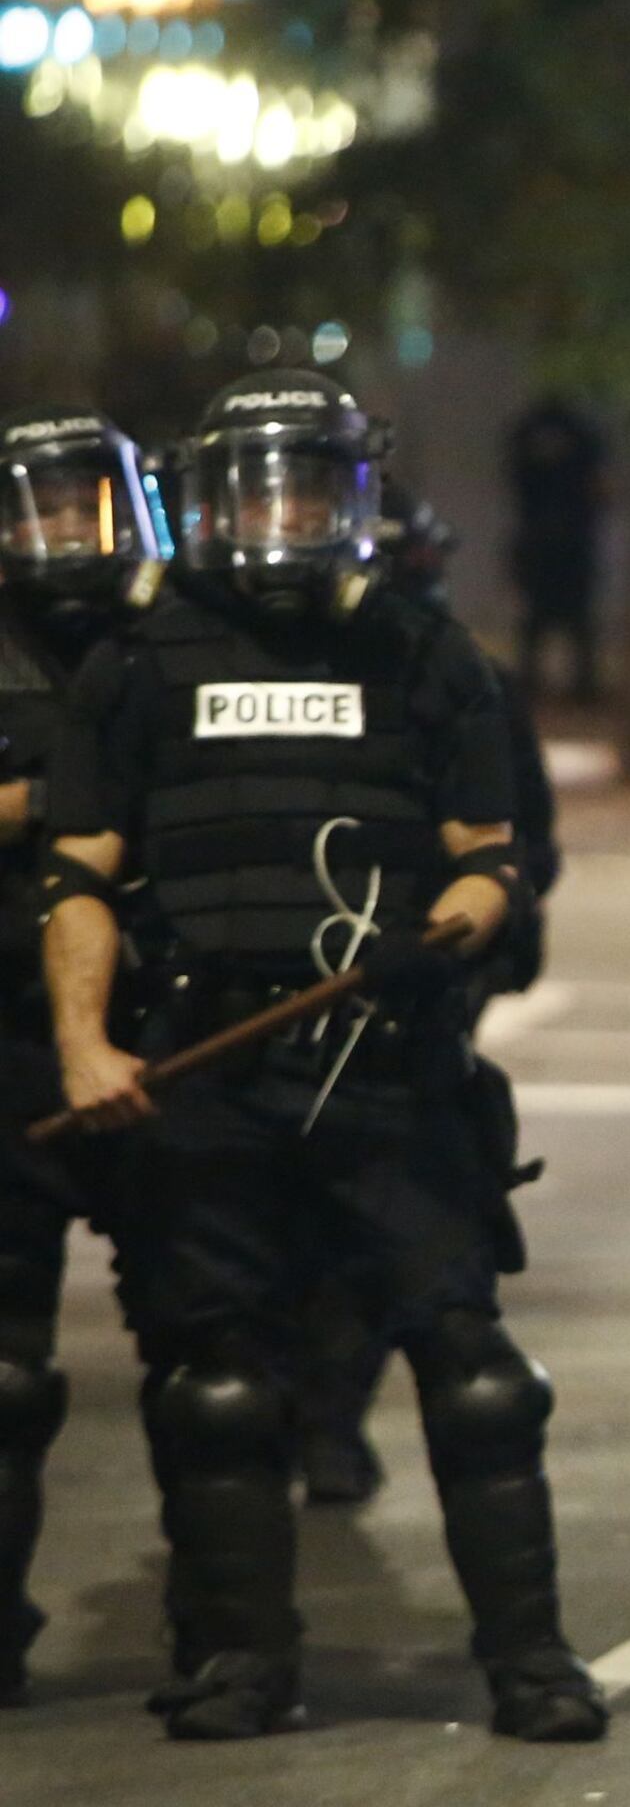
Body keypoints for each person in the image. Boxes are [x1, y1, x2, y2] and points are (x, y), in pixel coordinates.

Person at [35, 370, 603, 1742]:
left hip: (388, 1065)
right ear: (211, 498)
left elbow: (492, 864)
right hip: (210, 1066)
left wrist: (447, 937)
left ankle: (530, 1660)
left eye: (311, 486)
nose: (283, 514)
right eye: (259, 486)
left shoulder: (427, 655)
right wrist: (82, 1047)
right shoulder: (139, 665)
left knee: (474, 1376)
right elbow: (80, 877)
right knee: (219, 1387)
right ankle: (244, 1661)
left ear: (356, 496)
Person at [293, 487, 568, 1509]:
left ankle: (331, 1416)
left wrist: (459, 942)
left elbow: (520, 849)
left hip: (419, 990)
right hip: (280, 989)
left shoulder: (462, 676)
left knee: (398, 1243)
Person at [0, 405, 168, 1706]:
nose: (70, 533)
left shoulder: (183, 635)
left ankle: (231, 1637)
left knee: (214, 1357)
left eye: (89, 505)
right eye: (44, 509)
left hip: (172, 1039)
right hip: (7, 1042)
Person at [503, 398, 606, 703]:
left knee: (566, 621)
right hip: (553, 542)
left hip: (559, 542)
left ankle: (575, 683)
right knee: (549, 620)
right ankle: (569, 683)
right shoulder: (576, 436)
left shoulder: (539, 433)